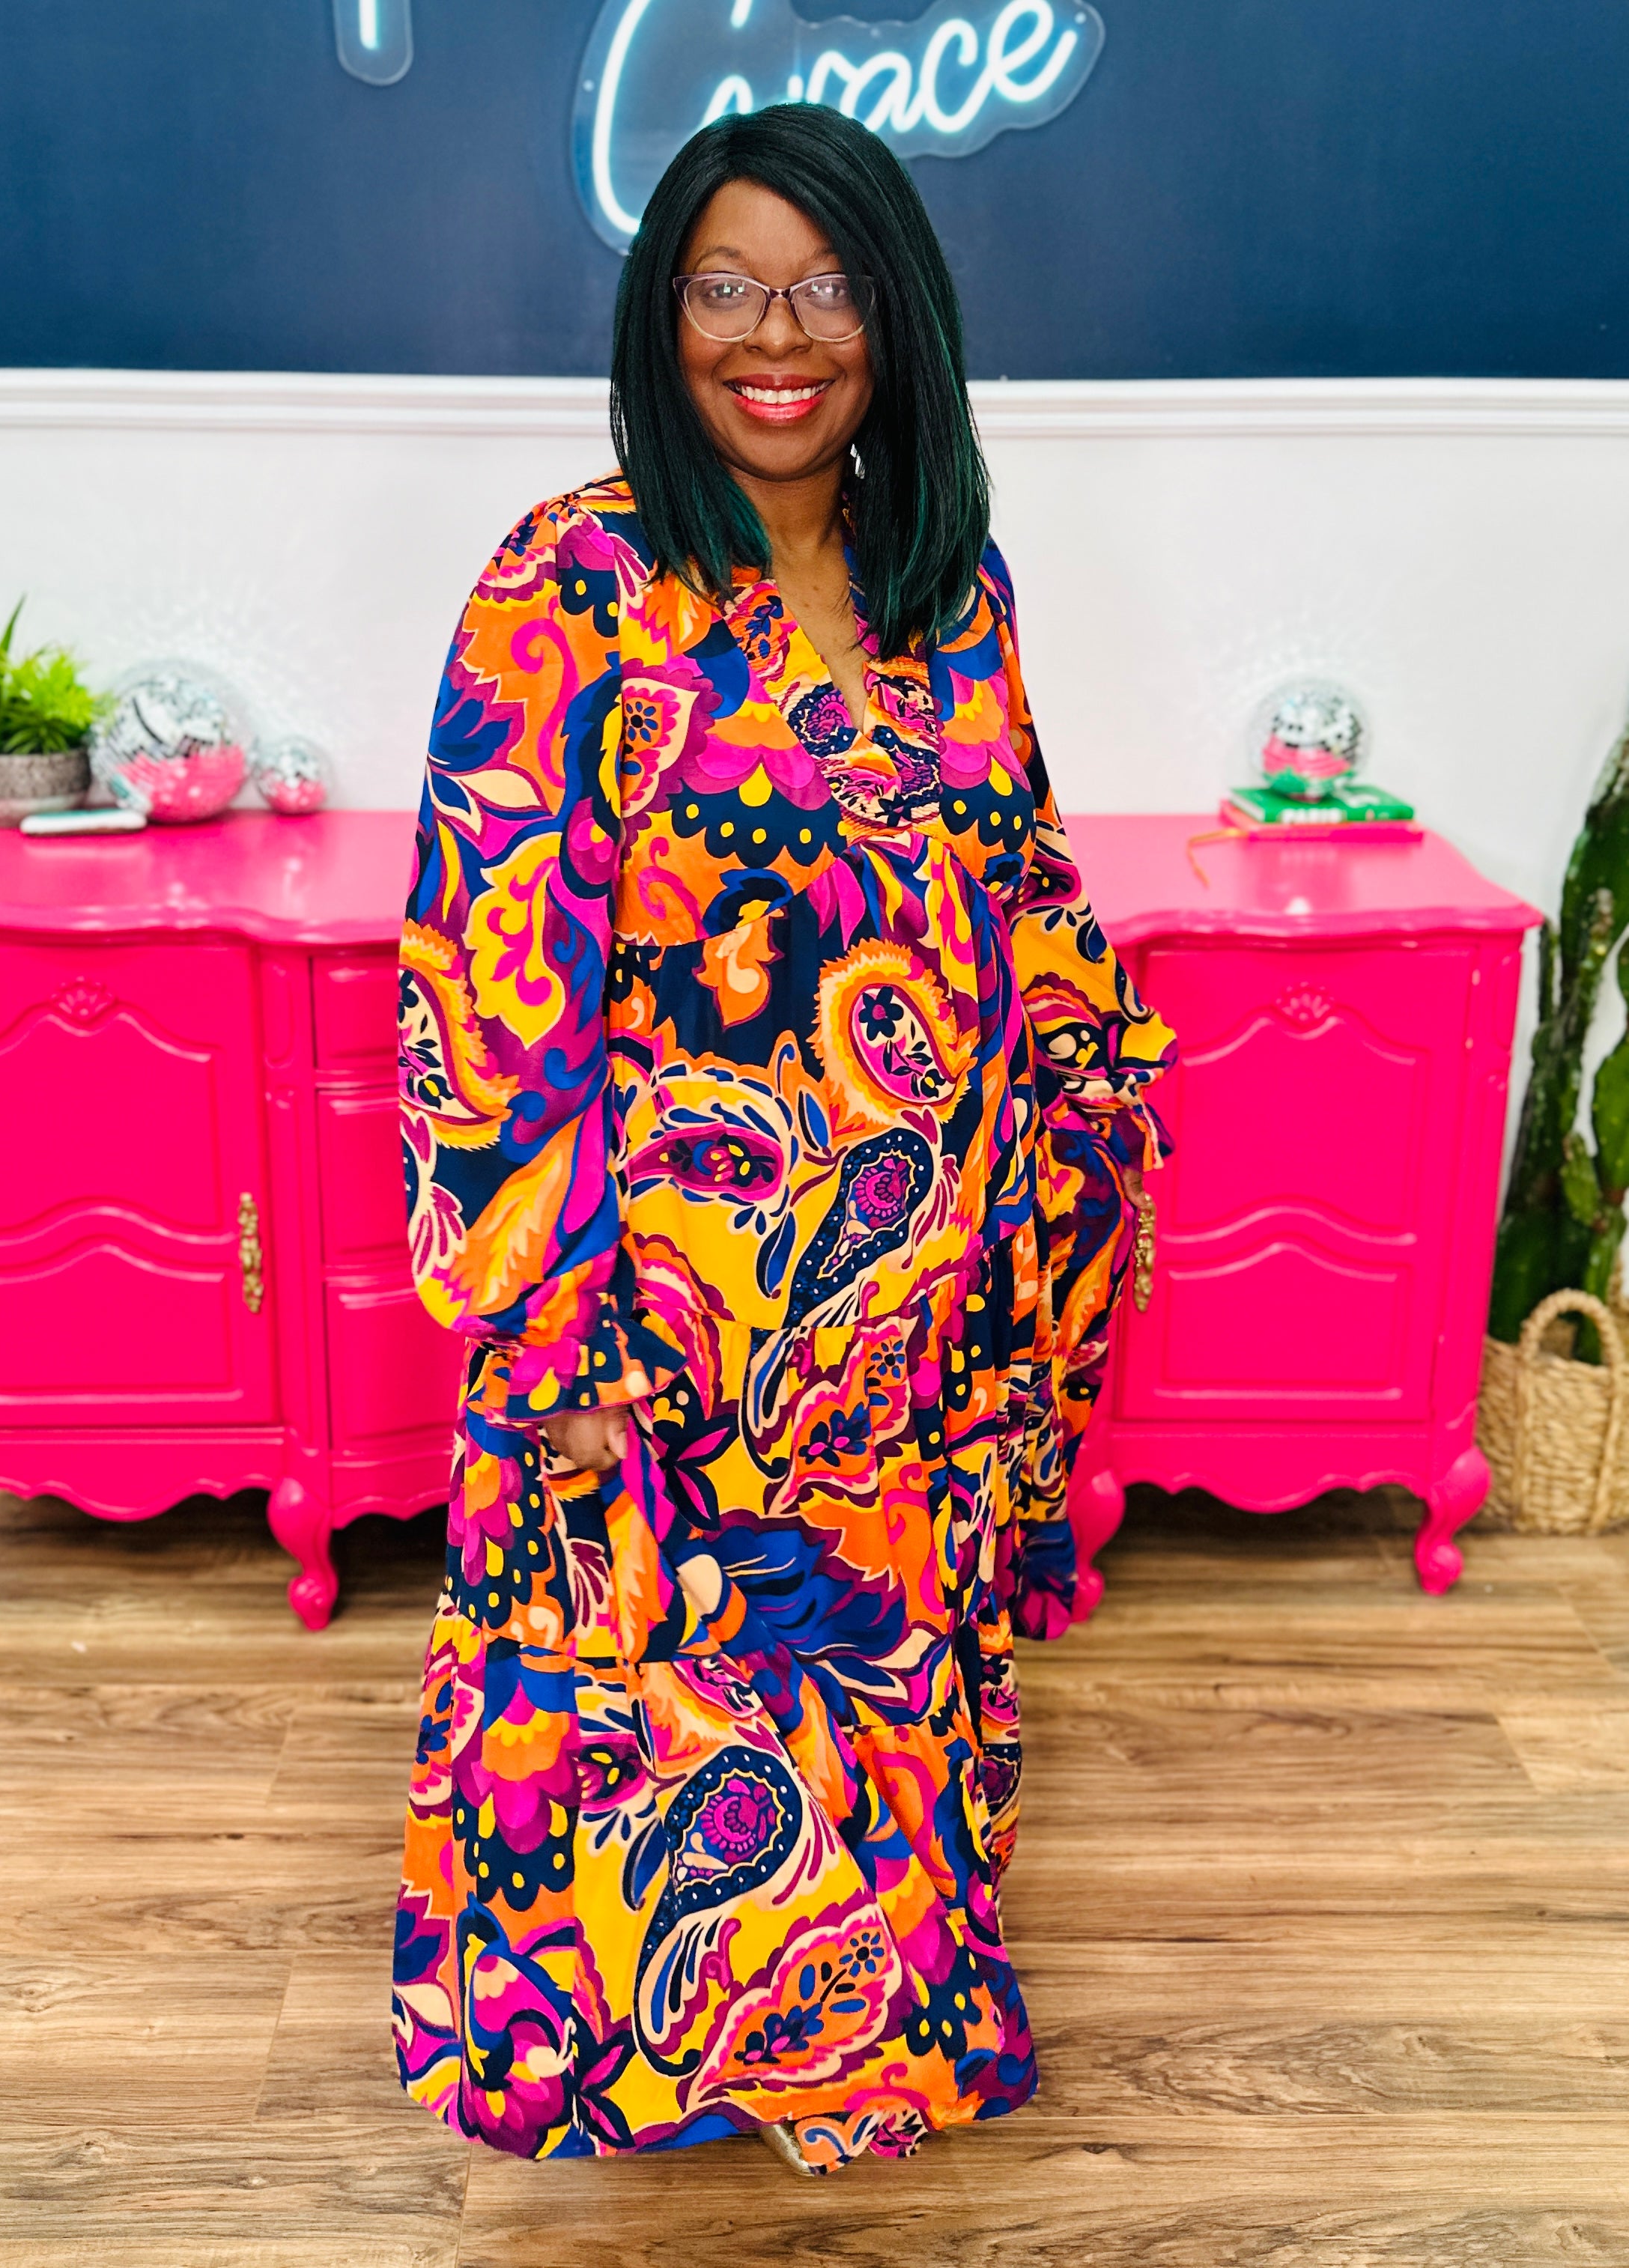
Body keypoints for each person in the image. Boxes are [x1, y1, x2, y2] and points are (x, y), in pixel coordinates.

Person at [392, 103, 1174, 2176]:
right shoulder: (573, 583)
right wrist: (550, 1344)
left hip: (919, 1324)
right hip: (670, 1326)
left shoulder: (949, 582)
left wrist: (1086, 1121)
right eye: (726, 286)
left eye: (826, 288)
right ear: (664, 316)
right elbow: (488, 976)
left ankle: (863, 2039)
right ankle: (680, 2065)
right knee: (674, 1721)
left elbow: (1019, 878)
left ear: (895, 317)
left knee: (881, 1687)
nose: (778, 335)